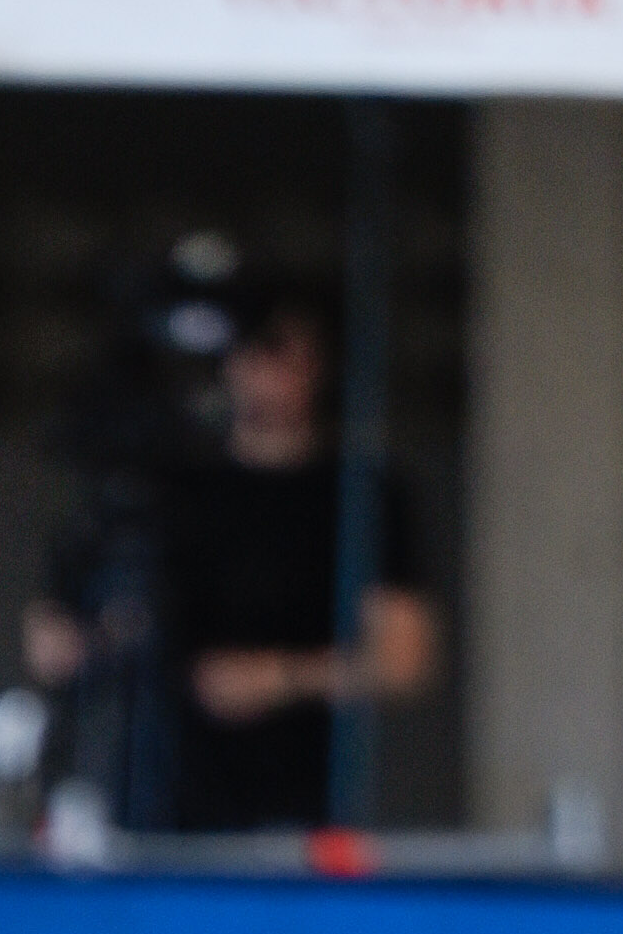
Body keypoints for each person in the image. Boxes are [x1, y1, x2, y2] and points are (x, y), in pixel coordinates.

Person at [28, 278, 438, 841]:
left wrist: (279, 676)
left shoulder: (360, 495)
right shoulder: (169, 491)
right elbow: (64, 639)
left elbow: (403, 660)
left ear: (322, 364)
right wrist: (85, 639)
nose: (261, 369)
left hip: (289, 809)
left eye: (280, 350)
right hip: (153, 802)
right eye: (249, 349)